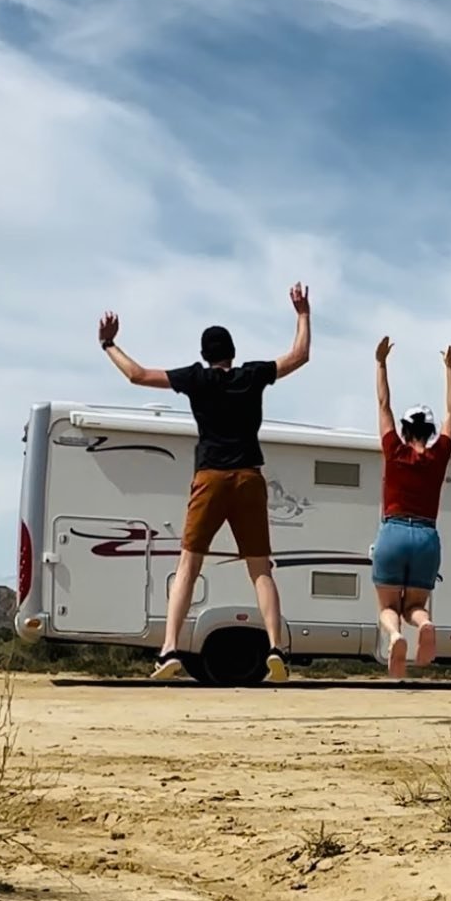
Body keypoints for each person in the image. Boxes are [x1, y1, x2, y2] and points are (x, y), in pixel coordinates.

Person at [97, 282, 312, 682]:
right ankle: (275, 648)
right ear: (232, 353)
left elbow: (137, 375)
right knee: (261, 569)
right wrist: (302, 313)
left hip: (210, 476)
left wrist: (109, 345)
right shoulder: (252, 376)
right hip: (249, 477)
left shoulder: (196, 380)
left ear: (204, 355)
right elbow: (300, 355)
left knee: (188, 565)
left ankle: (169, 651)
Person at [372, 335, 451, 679]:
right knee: (416, 606)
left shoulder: (394, 450)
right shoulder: (438, 456)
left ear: (406, 429)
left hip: (393, 531)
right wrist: (450, 371)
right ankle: (423, 625)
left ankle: (394, 636)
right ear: (430, 431)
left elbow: (383, 405)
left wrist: (381, 363)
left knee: (388, 607)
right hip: (426, 535)